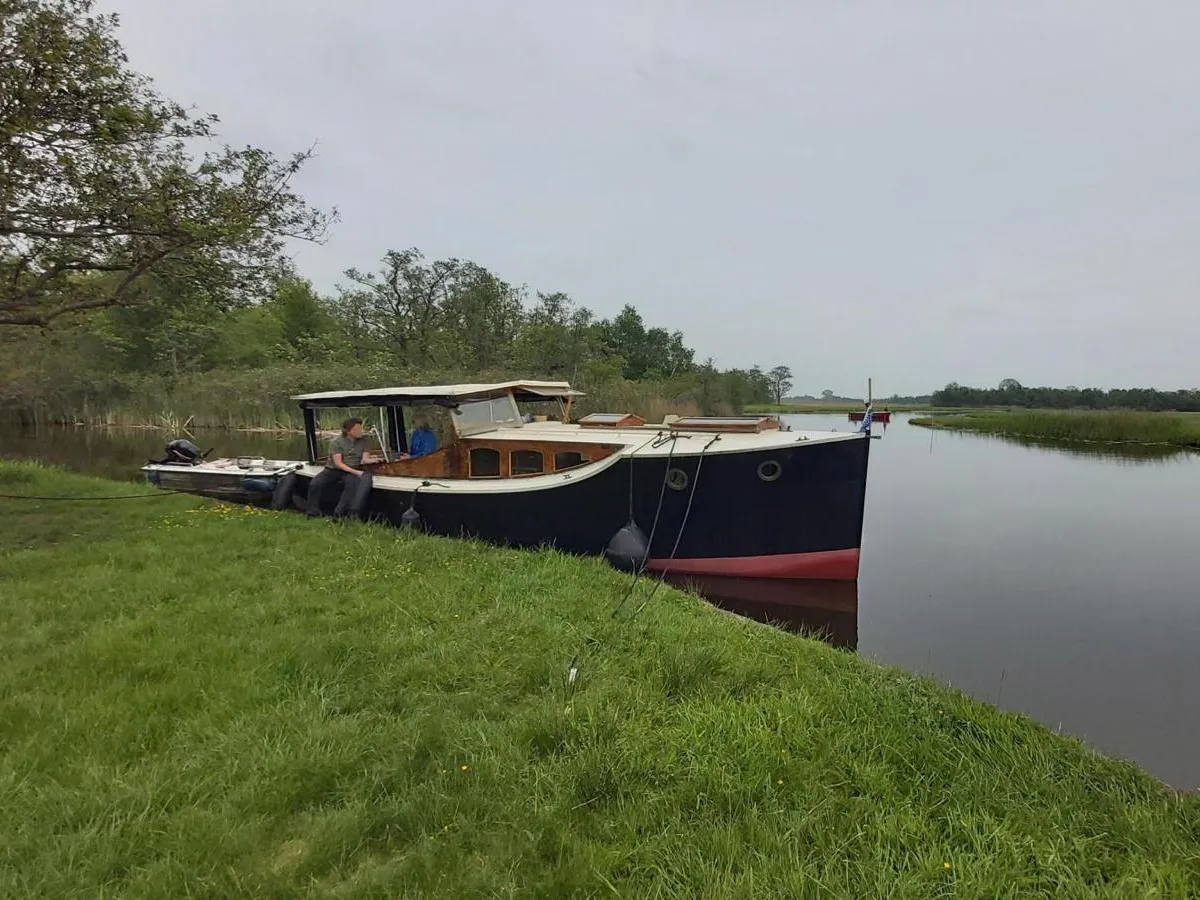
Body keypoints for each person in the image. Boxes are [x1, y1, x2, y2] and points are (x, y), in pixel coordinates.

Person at [305, 417, 380, 517]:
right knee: (315, 484)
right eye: (357, 429)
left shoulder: (364, 441)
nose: (360, 431)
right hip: (335, 469)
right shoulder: (336, 442)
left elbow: (365, 459)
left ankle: (339, 512)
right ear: (349, 431)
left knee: (351, 485)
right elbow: (338, 464)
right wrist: (356, 472)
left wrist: (378, 459)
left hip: (353, 468)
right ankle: (312, 511)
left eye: (360, 428)